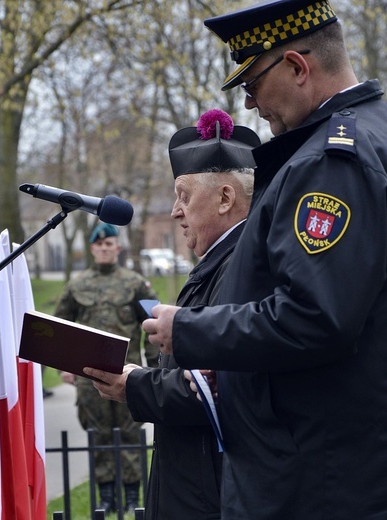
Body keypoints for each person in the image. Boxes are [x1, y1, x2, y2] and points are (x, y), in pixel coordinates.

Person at [142, 1, 387, 519]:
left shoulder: (329, 160)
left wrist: (188, 330)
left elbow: (315, 317)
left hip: (315, 479)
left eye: (253, 84)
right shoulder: (370, 131)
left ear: (298, 67)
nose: (251, 105)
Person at [83, 108, 260, 519]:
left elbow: (220, 391)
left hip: (208, 495)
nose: (175, 211)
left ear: (225, 198)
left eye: (184, 195)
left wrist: (135, 385)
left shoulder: (241, 268)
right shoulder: (222, 262)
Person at [55, 222, 159, 513]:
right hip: (89, 377)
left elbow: (152, 327)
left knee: (129, 433)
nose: (103, 248)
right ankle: (107, 497)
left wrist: (155, 367)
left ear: (118, 247)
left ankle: (131, 497)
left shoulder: (136, 283)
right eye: (99, 245)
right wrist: (64, 366)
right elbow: (59, 326)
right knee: (98, 434)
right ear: (92, 249)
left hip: (127, 374)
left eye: (109, 243)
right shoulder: (76, 285)